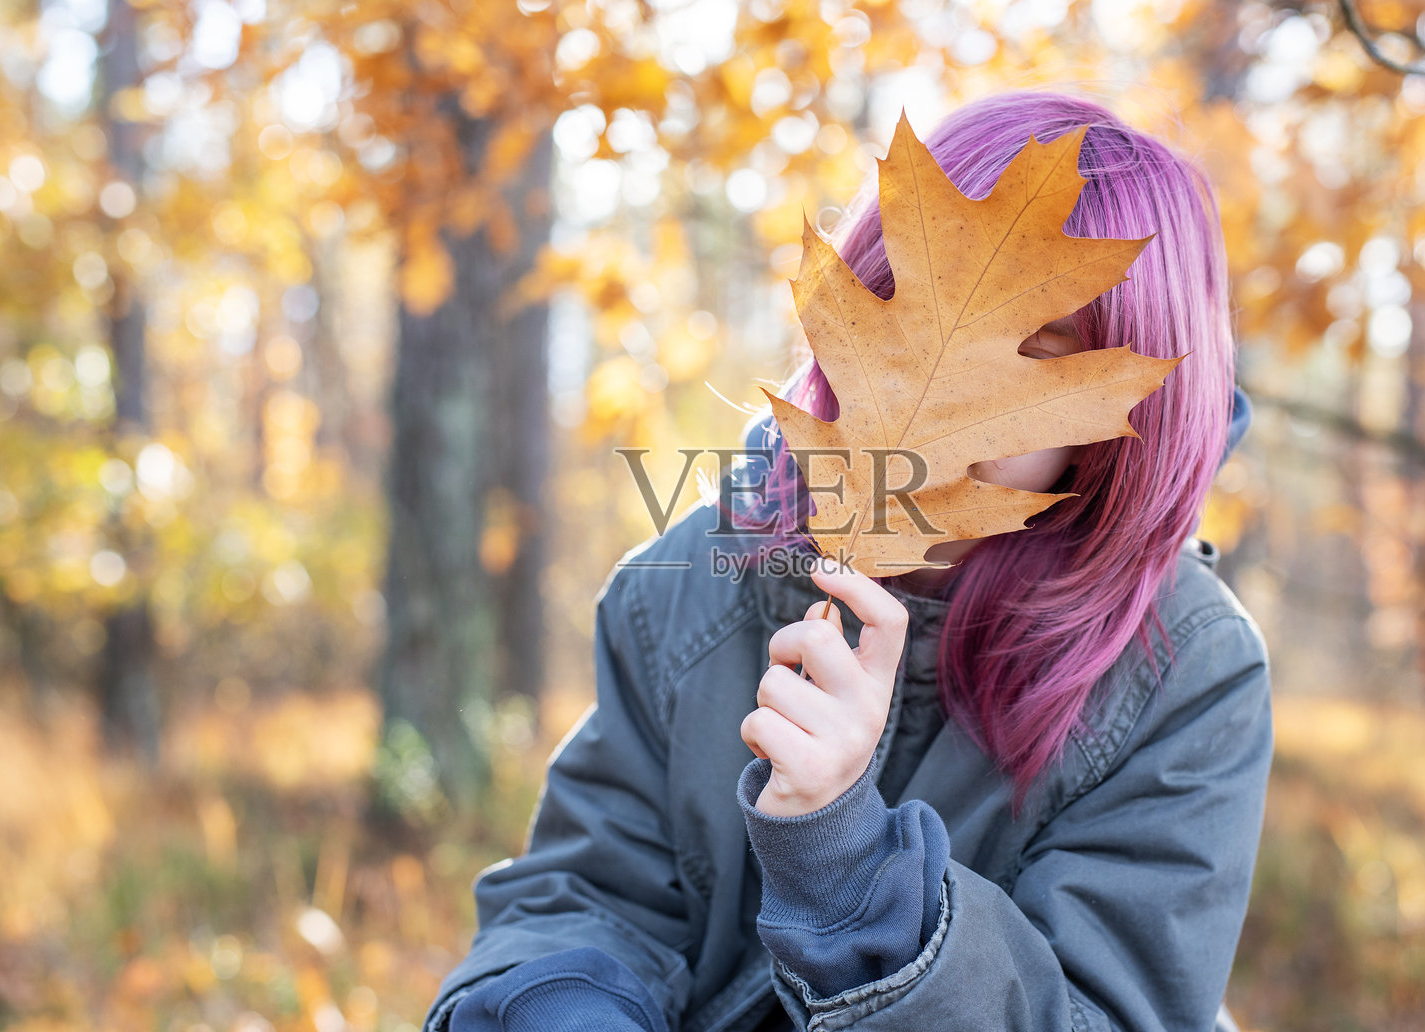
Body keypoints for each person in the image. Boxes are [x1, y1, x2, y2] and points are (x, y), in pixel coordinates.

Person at [422, 89, 1272, 1032]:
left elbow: (1108, 1010)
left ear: (1123, 414)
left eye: (1037, 359)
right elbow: (590, 893)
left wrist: (849, 865)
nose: (948, 401)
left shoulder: (1186, 670)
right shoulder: (693, 581)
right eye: (905, 311)